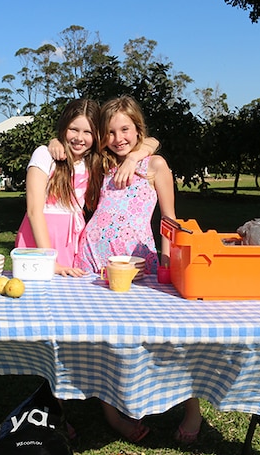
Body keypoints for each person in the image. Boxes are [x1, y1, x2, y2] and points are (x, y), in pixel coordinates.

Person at [75, 95, 203, 444]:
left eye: (126, 130)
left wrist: (166, 261)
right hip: (94, 261)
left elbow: (169, 219)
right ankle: (112, 413)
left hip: (138, 265)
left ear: (137, 129)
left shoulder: (154, 165)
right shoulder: (101, 165)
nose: (119, 138)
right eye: (111, 132)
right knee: (101, 339)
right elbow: (71, 144)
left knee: (167, 336)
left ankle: (192, 408)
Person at [15, 99, 157, 276]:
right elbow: (34, 211)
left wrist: (133, 158)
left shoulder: (93, 161)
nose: (79, 138)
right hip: (40, 239)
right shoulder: (45, 155)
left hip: (72, 240)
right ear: (64, 127)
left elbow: (151, 141)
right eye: (73, 129)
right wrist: (50, 260)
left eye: (87, 132)